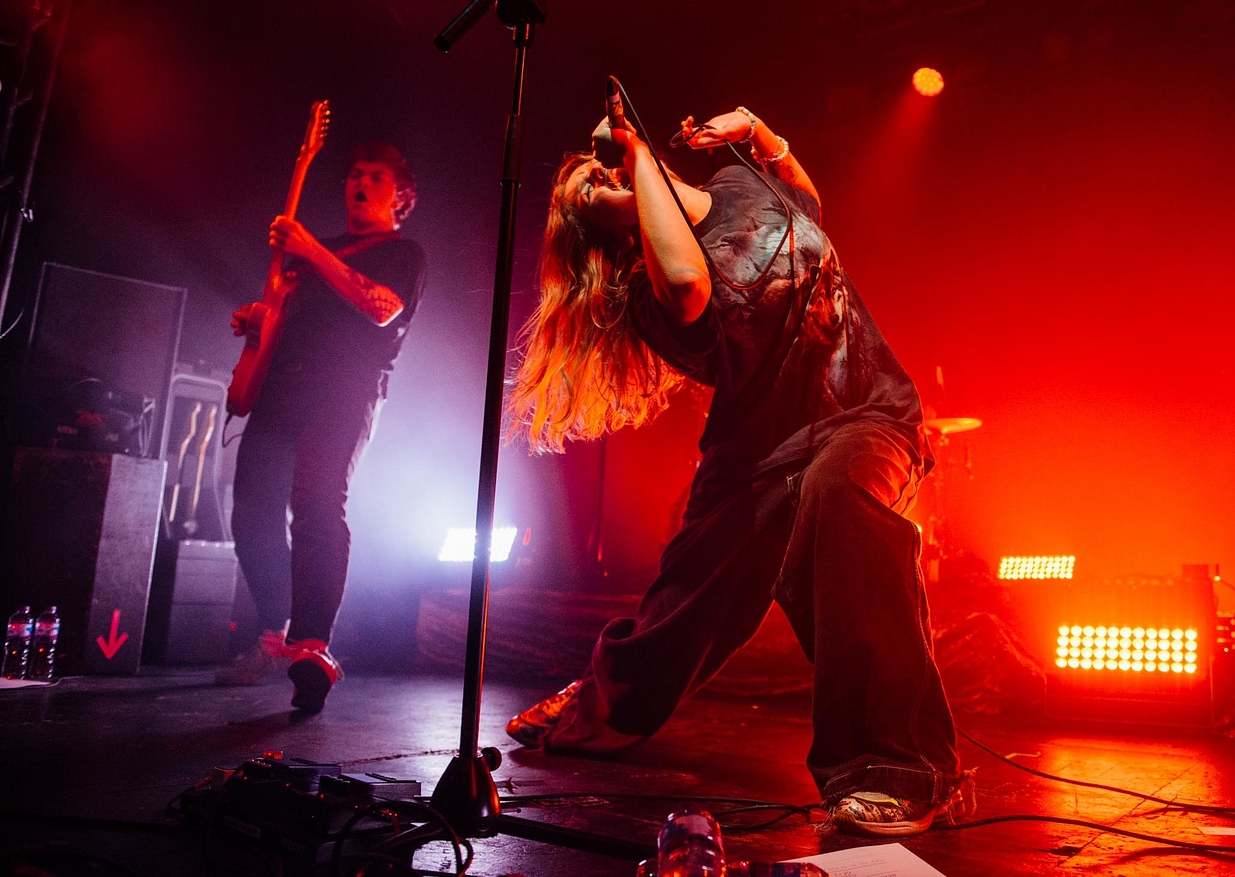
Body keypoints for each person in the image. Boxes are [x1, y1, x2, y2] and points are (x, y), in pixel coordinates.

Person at [505, 106, 973, 836]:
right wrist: (635, 162)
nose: (599, 176)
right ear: (603, 233)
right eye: (586, 193)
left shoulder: (736, 180)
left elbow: (807, 207)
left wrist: (761, 135)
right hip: (755, 451)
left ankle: (900, 766)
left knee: (843, 495)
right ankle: (599, 697)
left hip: (867, 412)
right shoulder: (648, 298)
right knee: (681, 607)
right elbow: (693, 279)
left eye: (599, 169)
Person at [216, 142, 426, 712]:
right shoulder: (318, 251)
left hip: (344, 393)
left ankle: (313, 646)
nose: (360, 182)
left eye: (375, 177)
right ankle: (271, 628)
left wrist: (310, 249)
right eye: (355, 174)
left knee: (315, 502)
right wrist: (258, 320)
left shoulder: (403, 253)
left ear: (400, 196)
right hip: (282, 387)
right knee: (251, 512)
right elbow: (285, 313)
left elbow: (380, 307)